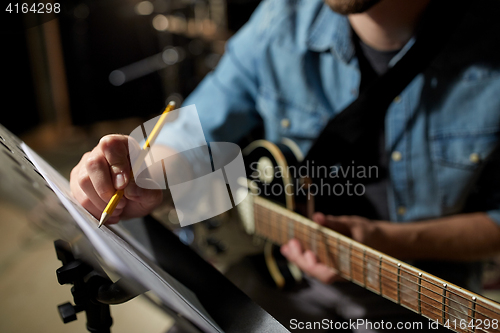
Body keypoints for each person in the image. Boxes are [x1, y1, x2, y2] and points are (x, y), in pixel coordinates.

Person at [70, 0, 500, 331]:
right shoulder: (283, 19)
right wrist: (144, 174)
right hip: (283, 277)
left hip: (419, 294)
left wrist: (388, 241)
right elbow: (193, 131)